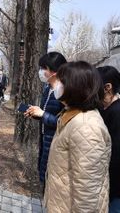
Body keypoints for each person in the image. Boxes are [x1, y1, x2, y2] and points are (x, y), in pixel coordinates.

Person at [44, 61, 111, 212]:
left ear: (76, 87)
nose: (57, 85)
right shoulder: (72, 115)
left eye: (61, 81)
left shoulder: (87, 127)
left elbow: (87, 193)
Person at [24, 52, 66, 188]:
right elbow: (46, 114)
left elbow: (65, 123)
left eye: (44, 68)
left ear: (54, 71)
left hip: (56, 143)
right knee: (43, 176)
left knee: (50, 180)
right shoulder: (47, 88)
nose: (41, 71)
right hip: (44, 139)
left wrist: (43, 114)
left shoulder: (64, 92)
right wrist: (36, 114)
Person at [97, 66, 120, 213]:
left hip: (115, 188)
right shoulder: (102, 108)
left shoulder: (117, 113)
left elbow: (116, 157)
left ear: (107, 87)